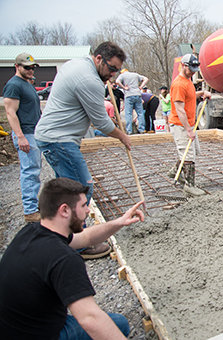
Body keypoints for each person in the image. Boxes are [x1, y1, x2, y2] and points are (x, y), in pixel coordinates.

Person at [0, 177, 144, 339]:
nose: (88, 210)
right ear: (65, 210)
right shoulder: (64, 258)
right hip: (38, 334)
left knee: (117, 322)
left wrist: (120, 222)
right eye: (83, 205)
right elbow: (90, 319)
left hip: (15, 327)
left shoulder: (32, 232)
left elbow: (86, 237)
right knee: (118, 325)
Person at [35, 41, 131, 259]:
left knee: (65, 191)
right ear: (98, 59)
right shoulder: (89, 80)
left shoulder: (77, 65)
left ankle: (56, 235)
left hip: (53, 137)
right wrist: (123, 136)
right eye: (111, 69)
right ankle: (76, 244)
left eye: (117, 71)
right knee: (82, 188)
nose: (113, 76)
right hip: (60, 140)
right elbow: (102, 123)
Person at [3, 52, 43, 223]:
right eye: (27, 68)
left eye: (32, 67)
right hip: (25, 133)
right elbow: (10, 112)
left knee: (34, 170)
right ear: (17, 67)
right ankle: (30, 211)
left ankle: (33, 206)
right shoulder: (14, 85)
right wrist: (20, 137)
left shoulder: (26, 83)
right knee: (30, 171)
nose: (30, 70)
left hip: (33, 131)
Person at [168, 54, 210, 193]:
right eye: (191, 68)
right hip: (181, 125)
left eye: (194, 69)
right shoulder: (179, 84)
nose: (193, 71)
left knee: (188, 152)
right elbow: (179, 109)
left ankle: (175, 172)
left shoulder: (187, 81)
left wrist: (202, 93)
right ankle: (189, 186)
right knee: (188, 156)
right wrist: (188, 130)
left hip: (189, 124)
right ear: (183, 65)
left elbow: (190, 95)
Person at [116, 68, 148, 134]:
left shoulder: (122, 76)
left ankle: (129, 131)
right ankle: (141, 129)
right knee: (140, 113)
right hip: (137, 94)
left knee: (128, 114)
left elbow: (117, 82)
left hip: (129, 95)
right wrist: (141, 87)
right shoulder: (135, 74)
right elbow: (146, 79)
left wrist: (124, 87)